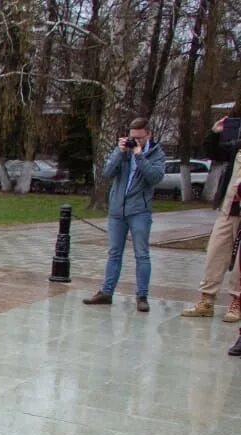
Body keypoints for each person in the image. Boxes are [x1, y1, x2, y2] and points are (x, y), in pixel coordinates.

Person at [84, 117, 165, 312]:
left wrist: (139, 156)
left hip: (140, 211)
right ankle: (106, 292)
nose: (135, 141)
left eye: (140, 138)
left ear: (148, 135)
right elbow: (107, 172)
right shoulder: (123, 150)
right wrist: (120, 152)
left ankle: (142, 296)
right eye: (132, 137)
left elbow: (155, 177)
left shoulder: (156, 153)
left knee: (142, 254)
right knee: (114, 253)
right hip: (117, 210)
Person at [181, 113, 241, 323]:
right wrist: (214, 134)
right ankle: (207, 299)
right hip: (229, 207)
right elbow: (214, 152)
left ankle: (237, 301)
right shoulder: (236, 147)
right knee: (215, 251)